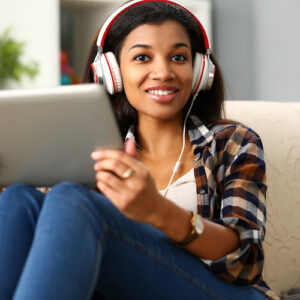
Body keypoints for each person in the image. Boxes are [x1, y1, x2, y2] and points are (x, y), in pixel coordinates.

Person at [0, 1, 278, 299]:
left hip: (222, 292)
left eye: (178, 57)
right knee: (18, 197)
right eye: (143, 57)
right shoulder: (93, 152)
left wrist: (156, 210)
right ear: (112, 72)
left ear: (199, 72)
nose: (163, 72)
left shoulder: (233, 142)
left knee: (73, 199)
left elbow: (245, 260)